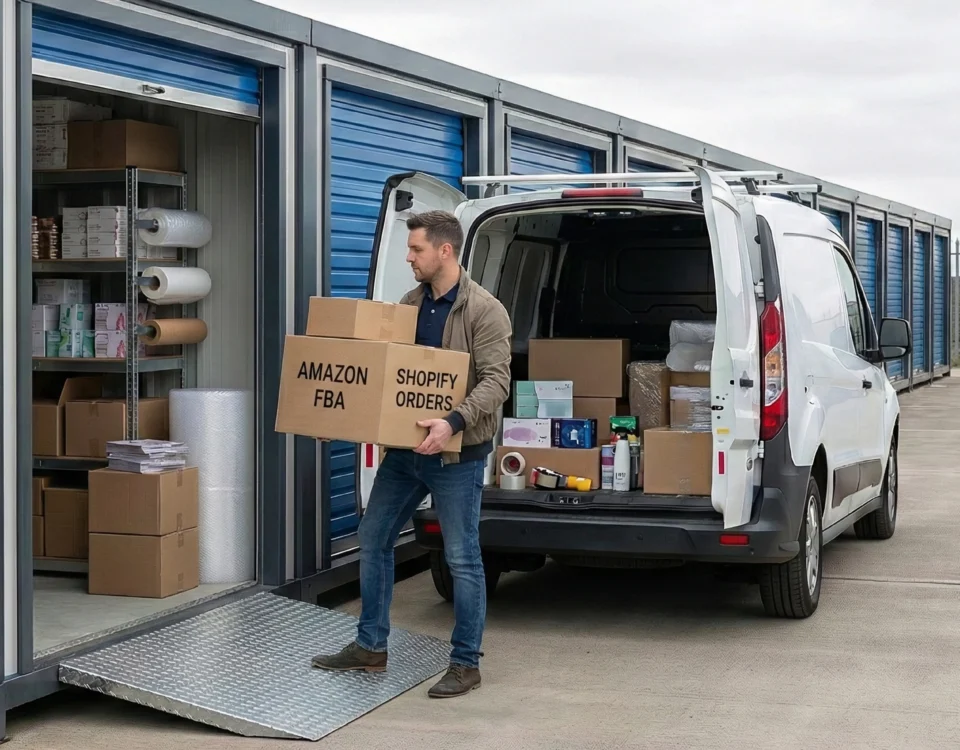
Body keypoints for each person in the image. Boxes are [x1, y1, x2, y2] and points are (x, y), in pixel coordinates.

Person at [311, 209, 513, 699]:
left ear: (445, 250)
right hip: (405, 452)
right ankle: (370, 648)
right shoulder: (409, 305)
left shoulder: (484, 310)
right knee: (373, 537)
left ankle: (466, 663)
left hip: (455, 455)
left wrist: (452, 422)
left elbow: (497, 382)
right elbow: (385, 376)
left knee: (463, 558)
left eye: (416, 249)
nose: (409, 258)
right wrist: (338, 417)